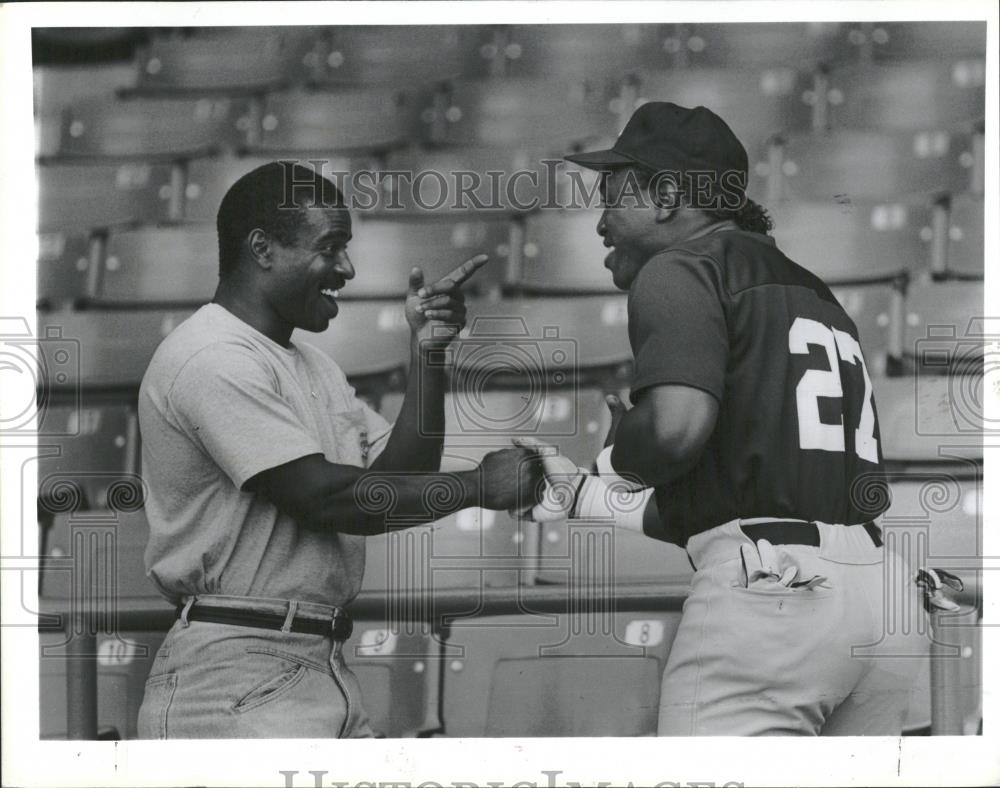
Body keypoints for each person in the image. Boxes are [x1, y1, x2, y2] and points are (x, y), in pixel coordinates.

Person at [516, 102, 925, 736]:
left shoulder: (681, 267)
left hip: (776, 604)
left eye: (612, 196)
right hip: (882, 600)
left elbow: (676, 434)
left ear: (668, 195)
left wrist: (627, 449)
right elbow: (737, 506)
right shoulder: (814, 291)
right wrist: (580, 495)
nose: (601, 223)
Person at [136, 161, 542, 738]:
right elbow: (326, 500)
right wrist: (478, 486)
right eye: (330, 248)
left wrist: (426, 354)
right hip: (235, 672)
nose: (347, 268)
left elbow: (399, 479)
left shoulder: (312, 365)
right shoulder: (212, 356)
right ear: (263, 249)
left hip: (311, 661)